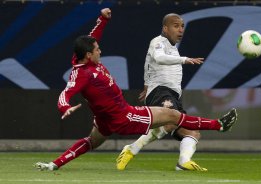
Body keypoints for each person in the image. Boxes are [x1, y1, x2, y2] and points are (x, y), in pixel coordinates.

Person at [34, 8, 238, 171]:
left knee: (90, 142)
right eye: (97, 50)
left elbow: (92, 36)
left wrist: (102, 20)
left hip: (104, 119)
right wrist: (64, 107)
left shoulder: (81, 57)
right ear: (88, 55)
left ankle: (55, 164)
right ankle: (218, 125)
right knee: (172, 115)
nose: (100, 51)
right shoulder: (82, 74)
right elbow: (65, 93)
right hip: (123, 117)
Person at [116, 13, 209, 172]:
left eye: (182, 26)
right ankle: (132, 149)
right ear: (165, 28)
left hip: (173, 95)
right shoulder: (158, 42)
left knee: (193, 132)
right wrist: (184, 59)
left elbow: (148, 62)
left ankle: (183, 162)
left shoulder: (172, 48)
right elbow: (158, 58)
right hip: (160, 91)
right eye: (175, 25)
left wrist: (146, 85)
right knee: (171, 120)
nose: (180, 30)